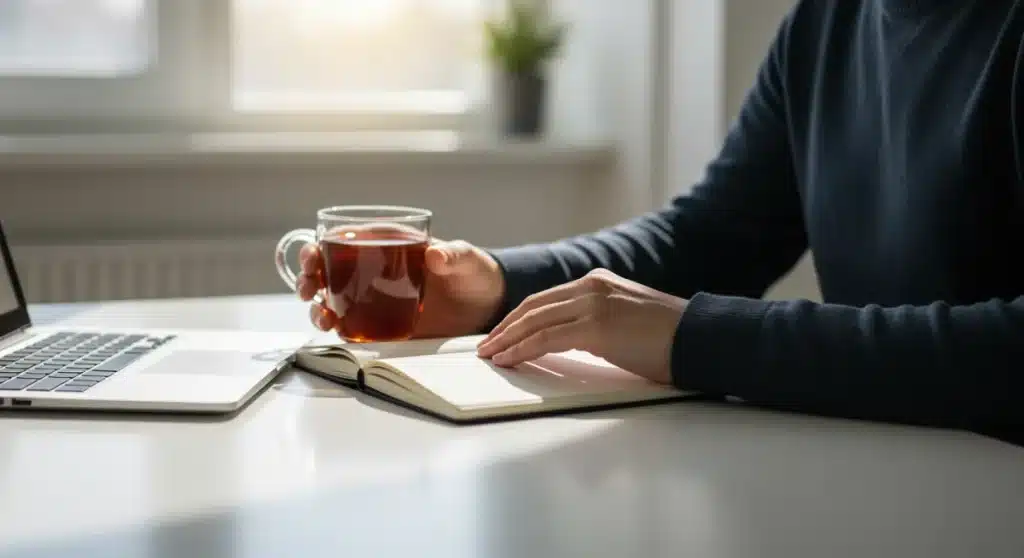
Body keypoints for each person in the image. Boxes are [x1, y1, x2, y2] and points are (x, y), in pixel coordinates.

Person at [297, 0, 1024, 433]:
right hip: (883, 466)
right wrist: (495, 286)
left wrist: (697, 335)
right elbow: (708, 236)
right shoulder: (824, 23)